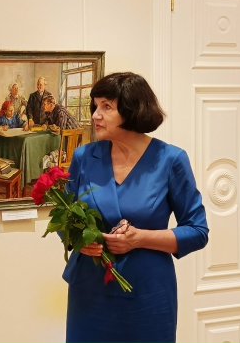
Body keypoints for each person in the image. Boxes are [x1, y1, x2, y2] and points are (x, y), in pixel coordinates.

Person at [63, 72, 209, 343]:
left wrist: (139, 238)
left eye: (106, 106)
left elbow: (197, 231)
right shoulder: (84, 157)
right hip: (90, 291)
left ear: (132, 110)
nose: (95, 115)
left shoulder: (171, 160)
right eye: (95, 105)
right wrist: (80, 241)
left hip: (147, 293)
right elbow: (65, 220)